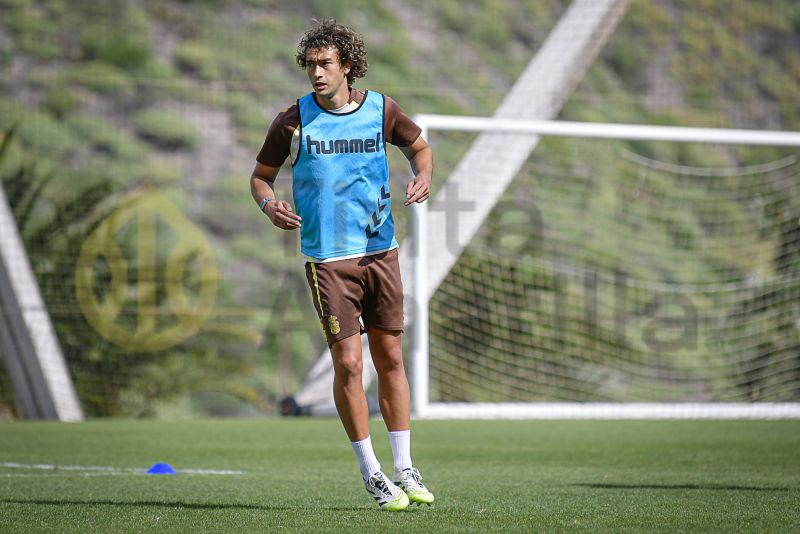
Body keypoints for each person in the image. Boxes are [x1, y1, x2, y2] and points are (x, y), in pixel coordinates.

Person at [250, 19, 434, 511]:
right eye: (309, 65)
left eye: (324, 64)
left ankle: (405, 467)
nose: (315, 73)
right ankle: (372, 471)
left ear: (346, 66)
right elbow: (260, 179)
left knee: (390, 358)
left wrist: (423, 177)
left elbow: (419, 147)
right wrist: (270, 207)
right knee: (349, 364)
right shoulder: (293, 121)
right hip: (328, 261)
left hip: (381, 251)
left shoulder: (381, 109)